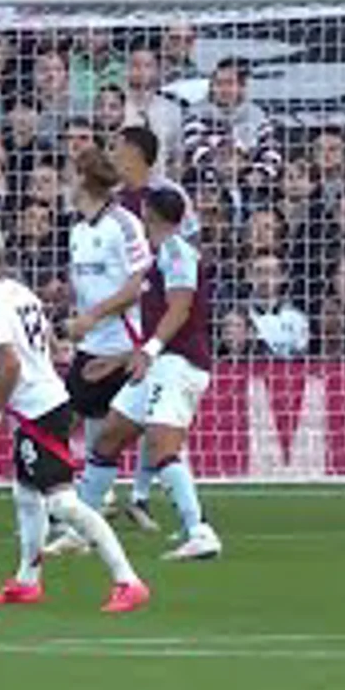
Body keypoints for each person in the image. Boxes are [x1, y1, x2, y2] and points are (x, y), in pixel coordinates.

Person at [0, 228, 149, 613]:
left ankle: (128, 580)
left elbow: (12, 361)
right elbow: (41, 342)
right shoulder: (21, 291)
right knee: (25, 494)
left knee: (63, 503)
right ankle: (27, 581)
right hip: (46, 400)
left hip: (37, 411)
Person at [75, 188, 223, 561]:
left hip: (178, 365)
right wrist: (123, 358)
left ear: (148, 214)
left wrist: (148, 351)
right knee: (109, 438)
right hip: (158, 362)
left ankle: (199, 531)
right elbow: (163, 320)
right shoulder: (159, 256)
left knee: (162, 448)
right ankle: (83, 530)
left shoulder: (176, 252)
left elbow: (180, 309)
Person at [50, 149, 151, 531]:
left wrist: (92, 316)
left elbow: (138, 284)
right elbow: (88, 286)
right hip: (91, 345)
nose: (64, 182)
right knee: (74, 418)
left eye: (68, 175)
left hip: (127, 343)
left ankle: (144, 499)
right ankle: (98, 499)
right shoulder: (78, 230)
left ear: (84, 180)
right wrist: (71, 313)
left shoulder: (123, 224)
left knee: (149, 427)